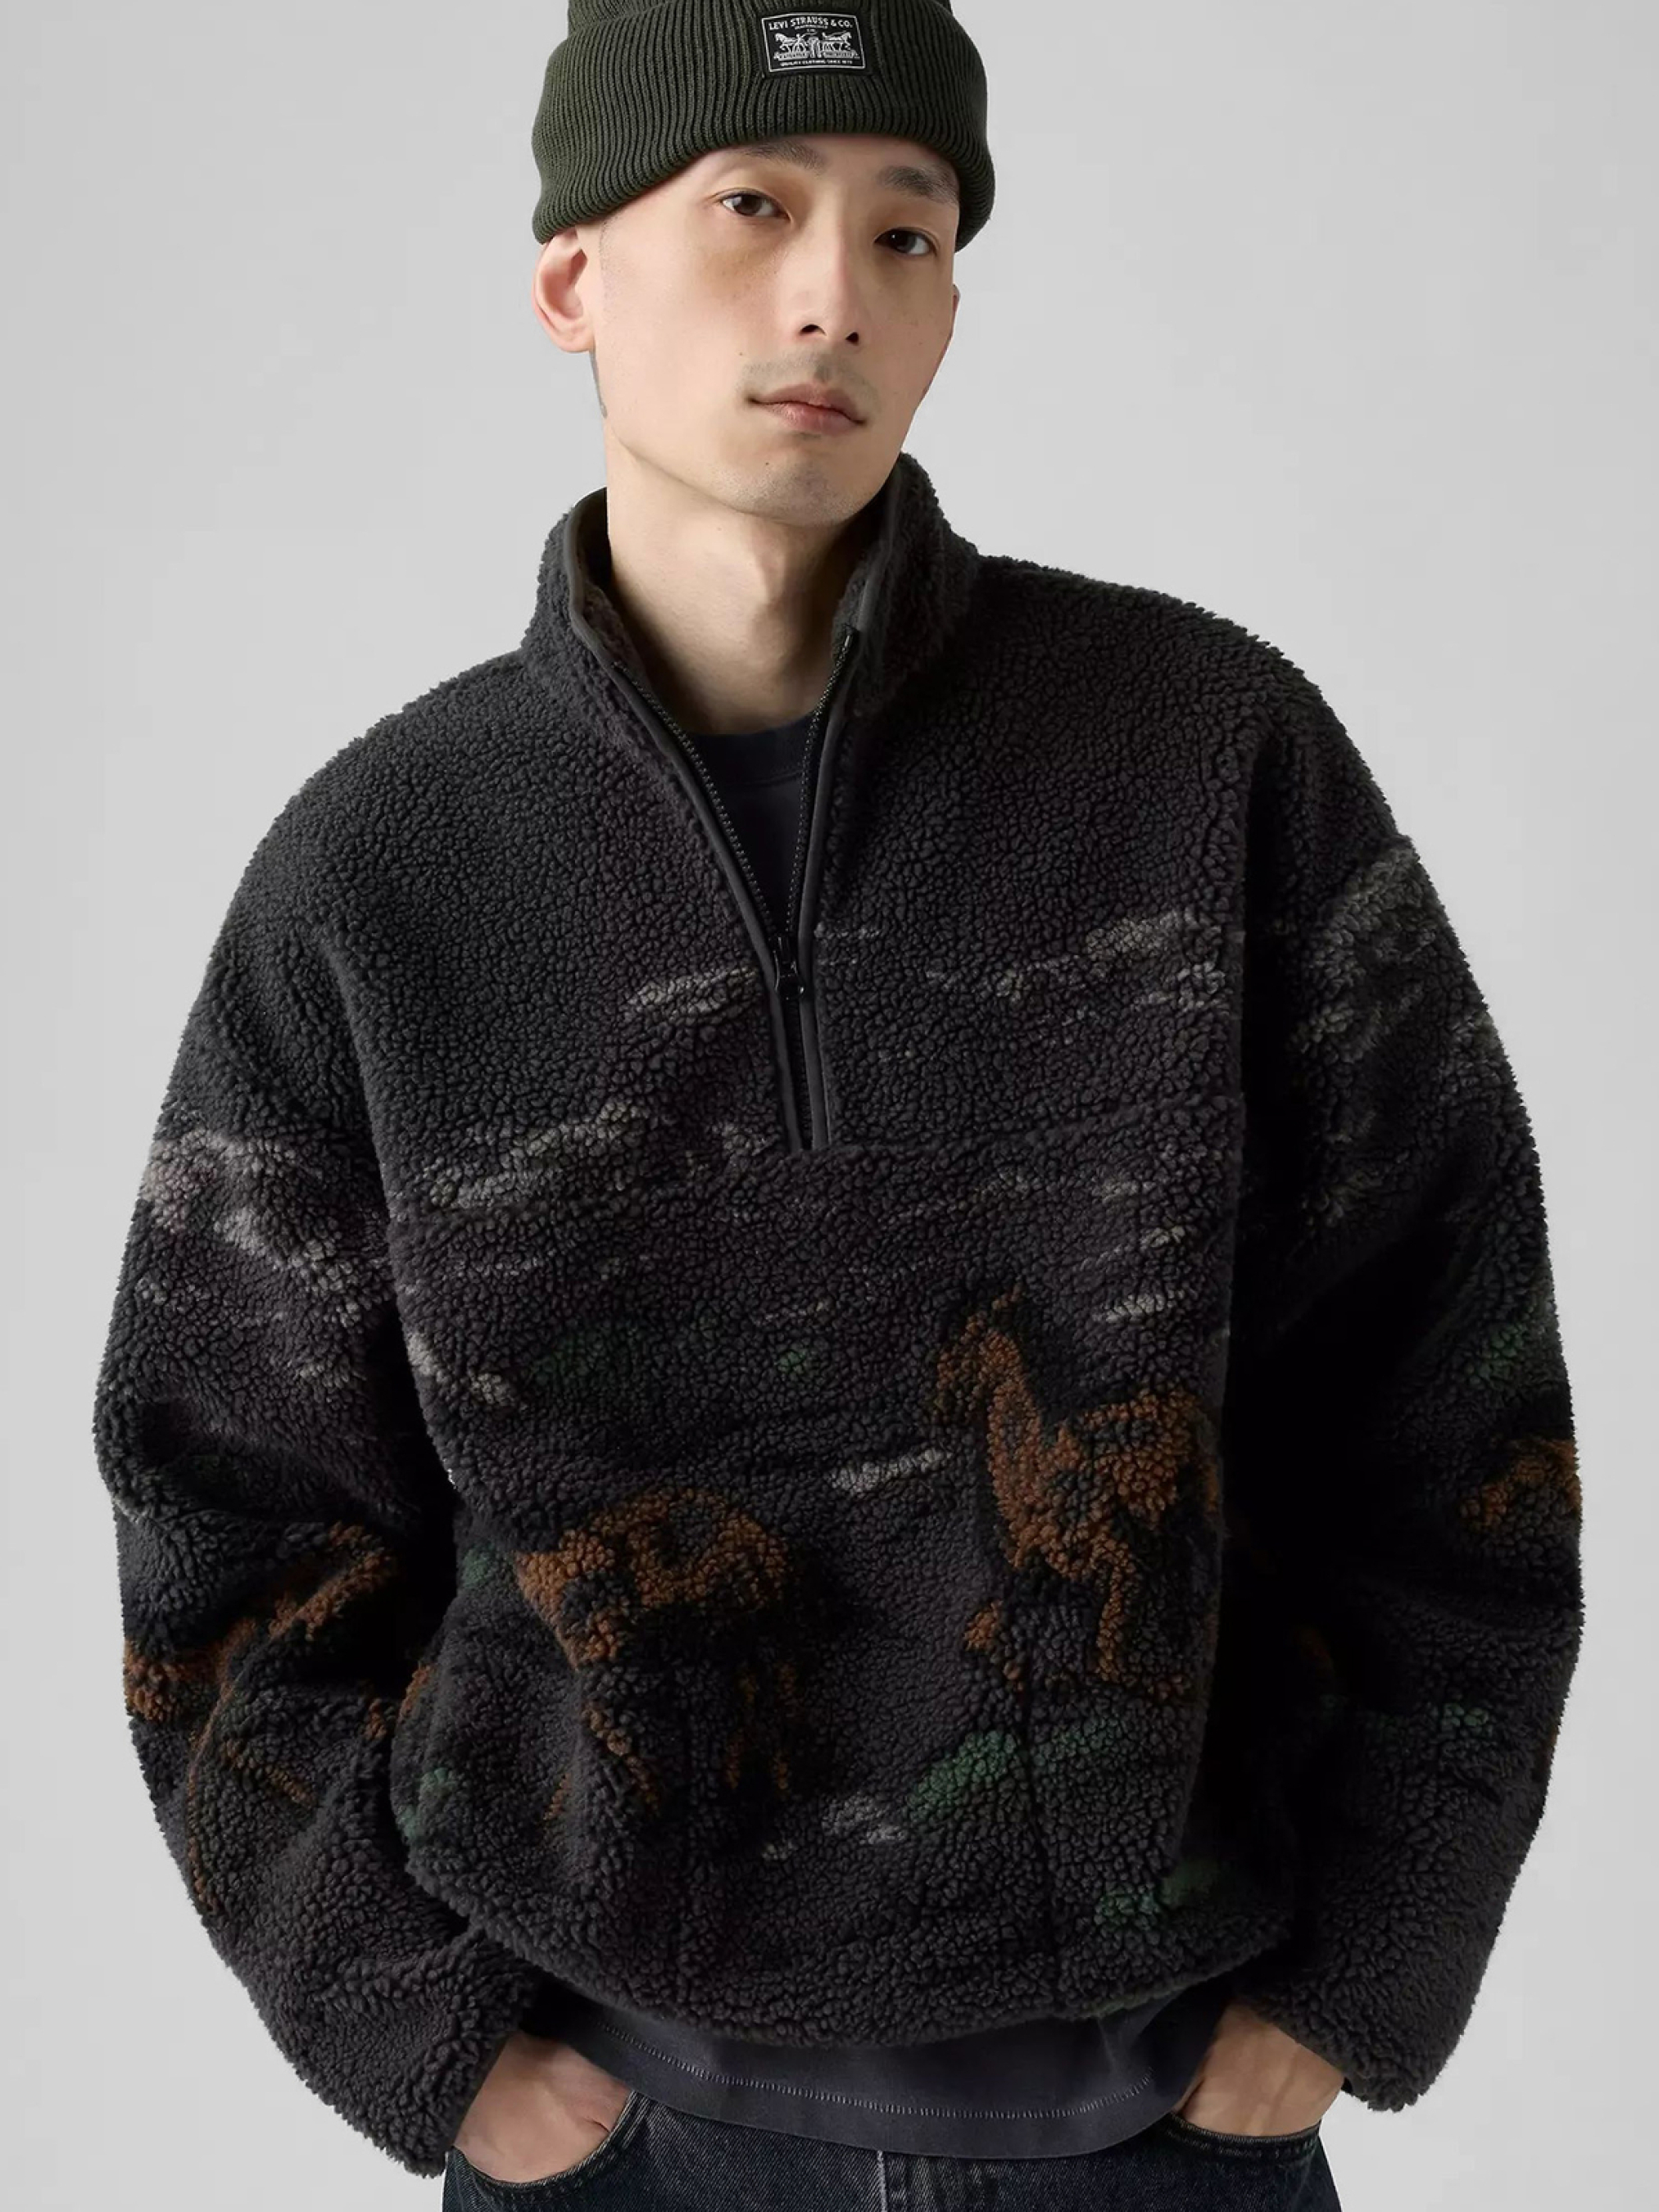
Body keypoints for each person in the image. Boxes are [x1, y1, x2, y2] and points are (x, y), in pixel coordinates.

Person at [89, 4, 1583, 2206]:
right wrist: (423, 2029)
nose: (832, 296)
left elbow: (1451, 1393)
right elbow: (226, 1512)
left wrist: (1365, 1963)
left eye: (908, 230)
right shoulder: (380, 875)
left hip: (1148, 2125)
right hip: (622, 2140)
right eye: (751, 208)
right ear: (571, 277)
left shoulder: (1207, 758)